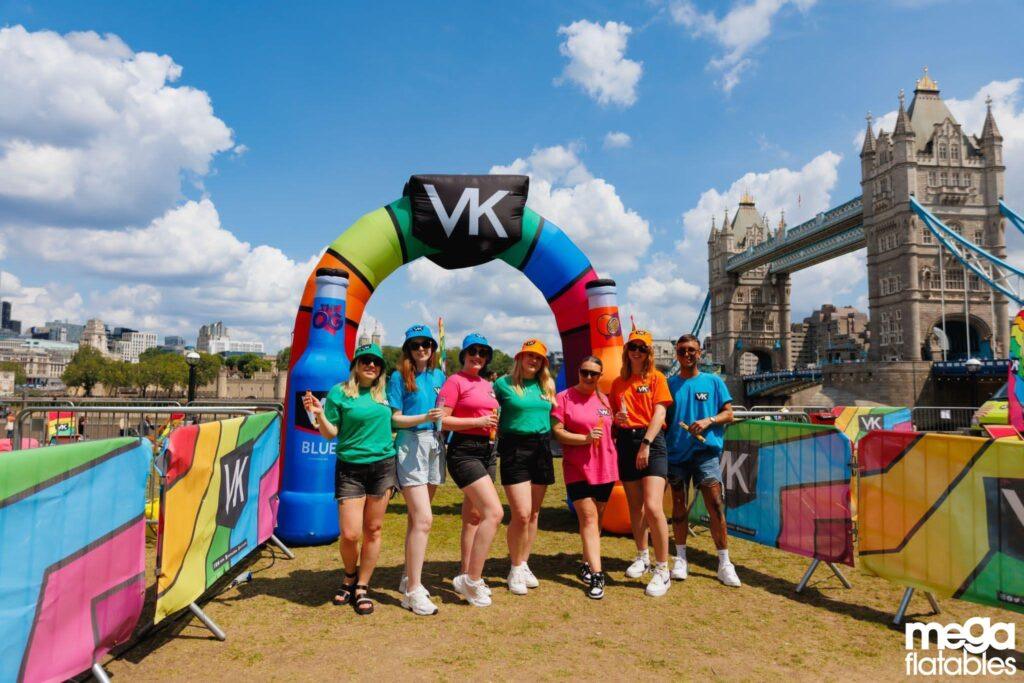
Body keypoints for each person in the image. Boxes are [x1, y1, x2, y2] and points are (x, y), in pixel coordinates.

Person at [304, 343, 397, 615]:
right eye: (365, 360)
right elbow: (330, 433)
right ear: (355, 365)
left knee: (374, 529)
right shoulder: (339, 392)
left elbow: (398, 419)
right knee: (350, 533)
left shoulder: (387, 392)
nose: (371, 365)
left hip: (383, 467)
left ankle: (362, 586)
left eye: (376, 362)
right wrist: (320, 415)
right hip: (350, 469)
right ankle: (349, 575)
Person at [665, 334, 739, 587]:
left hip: (706, 454)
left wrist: (710, 420)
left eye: (691, 350)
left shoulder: (714, 381)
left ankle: (724, 563)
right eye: (682, 351)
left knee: (715, 505)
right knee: (678, 506)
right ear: (677, 354)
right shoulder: (669, 385)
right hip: (676, 454)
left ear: (700, 353)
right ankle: (681, 558)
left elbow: (729, 414)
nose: (687, 354)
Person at [439, 333, 503, 607]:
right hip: (464, 451)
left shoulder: (487, 384)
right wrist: (477, 422)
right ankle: (473, 579)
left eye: (483, 352)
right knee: (494, 513)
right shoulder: (455, 381)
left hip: (488, 450)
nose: (478, 356)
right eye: (473, 351)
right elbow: (441, 421)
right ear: (464, 354)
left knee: (474, 516)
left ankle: (465, 573)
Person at [387, 324, 447, 616]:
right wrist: (425, 416)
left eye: (427, 344)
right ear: (408, 349)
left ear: (433, 348)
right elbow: (395, 419)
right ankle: (413, 592)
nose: (422, 349)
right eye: (415, 345)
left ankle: (408, 577)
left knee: (416, 518)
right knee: (424, 519)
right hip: (411, 444)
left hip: (435, 443)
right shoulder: (398, 377)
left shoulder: (439, 375)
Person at [610, 328, 674, 597]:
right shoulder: (618, 383)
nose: (636, 352)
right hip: (626, 442)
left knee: (653, 507)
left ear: (649, 352)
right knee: (634, 506)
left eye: (642, 348)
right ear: (627, 351)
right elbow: (615, 416)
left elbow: (659, 413)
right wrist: (617, 420)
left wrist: (646, 444)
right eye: (632, 347)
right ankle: (642, 556)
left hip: (652, 441)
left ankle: (663, 568)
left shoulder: (657, 378)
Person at [552, 356, 618, 600]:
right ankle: (598, 576)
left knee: (596, 518)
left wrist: (619, 422)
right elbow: (557, 432)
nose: (588, 377)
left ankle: (587, 563)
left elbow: (611, 430)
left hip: (605, 466)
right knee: (589, 518)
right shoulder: (564, 398)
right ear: (578, 372)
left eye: (594, 373)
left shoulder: (604, 400)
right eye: (584, 372)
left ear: (600, 376)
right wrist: (584, 439)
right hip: (577, 468)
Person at [494, 339, 555, 595]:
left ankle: (524, 563)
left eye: (538, 358)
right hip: (514, 447)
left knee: (534, 514)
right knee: (521, 513)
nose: (534, 361)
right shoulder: (502, 384)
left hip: (542, 447)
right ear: (519, 358)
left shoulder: (547, 385)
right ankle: (515, 566)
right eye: (529, 356)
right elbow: (487, 408)